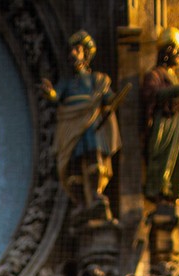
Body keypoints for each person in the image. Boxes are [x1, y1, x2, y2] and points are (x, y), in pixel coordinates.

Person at [41, 30, 121, 213]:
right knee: (73, 162)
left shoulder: (96, 80)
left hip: (90, 121)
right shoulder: (67, 83)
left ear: (86, 53)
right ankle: (79, 202)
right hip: (71, 123)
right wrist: (50, 93)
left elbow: (108, 97)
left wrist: (112, 100)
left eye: (77, 49)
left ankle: (95, 193)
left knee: (94, 155)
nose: (73, 54)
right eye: (71, 51)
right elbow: (56, 96)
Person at [141, 27, 179, 205]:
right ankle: (160, 194)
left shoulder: (173, 77)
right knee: (162, 163)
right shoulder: (155, 75)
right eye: (176, 49)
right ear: (166, 52)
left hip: (177, 127)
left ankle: (176, 197)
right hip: (163, 126)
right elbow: (152, 94)